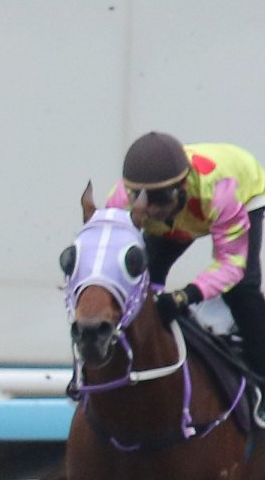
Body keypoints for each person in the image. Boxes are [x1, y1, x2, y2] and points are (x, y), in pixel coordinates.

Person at [108, 132, 265, 387]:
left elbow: (231, 265)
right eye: (143, 199)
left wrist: (185, 296)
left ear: (182, 188)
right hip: (184, 209)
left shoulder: (220, 191)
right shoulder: (119, 201)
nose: (153, 211)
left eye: (160, 199)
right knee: (143, 281)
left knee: (241, 290)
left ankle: (261, 375)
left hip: (241, 193)